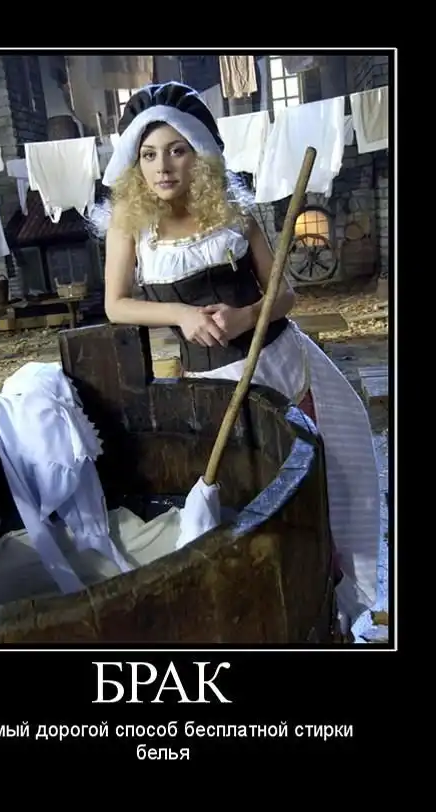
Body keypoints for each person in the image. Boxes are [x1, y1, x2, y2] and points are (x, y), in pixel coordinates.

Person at [88, 81, 382, 641]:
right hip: (214, 383)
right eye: (149, 154)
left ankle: (336, 605)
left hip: (283, 363)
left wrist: (248, 316)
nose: (162, 166)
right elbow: (115, 304)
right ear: (134, 161)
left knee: (325, 479)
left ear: (199, 152)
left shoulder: (233, 211)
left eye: (177, 150)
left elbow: (284, 294)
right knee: (259, 494)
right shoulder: (131, 224)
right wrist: (180, 314)